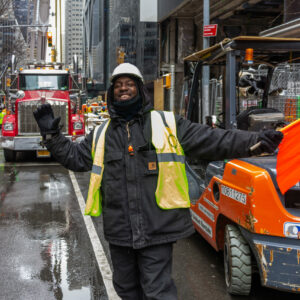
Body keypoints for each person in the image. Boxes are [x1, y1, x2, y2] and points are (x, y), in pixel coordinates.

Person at [33, 63, 283, 300]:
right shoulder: (101, 133)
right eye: (118, 84)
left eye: (129, 83)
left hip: (158, 228)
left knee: (157, 291)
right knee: (125, 289)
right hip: (120, 231)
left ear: (140, 90)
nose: (123, 88)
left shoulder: (167, 123)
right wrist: (52, 137)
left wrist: (254, 142)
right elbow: (75, 159)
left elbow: (213, 139)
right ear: (111, 93)